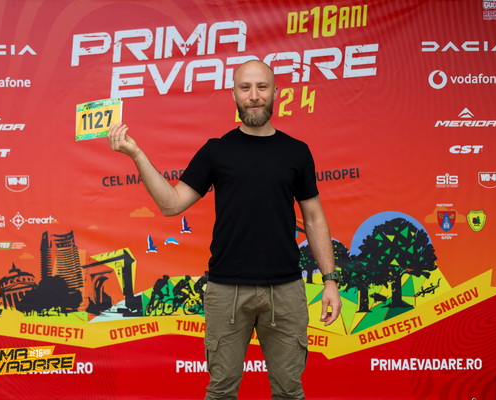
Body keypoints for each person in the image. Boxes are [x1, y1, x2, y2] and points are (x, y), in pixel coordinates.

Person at [108, 60, 342, 400]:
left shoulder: (296, 152)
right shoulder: (216, 151)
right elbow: (171, 204)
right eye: (245, 88)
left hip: (286, 290)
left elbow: (315, 219)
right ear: (234, 94)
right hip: (226, 291)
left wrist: (330, 281)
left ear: (275, 92)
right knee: (220, 393)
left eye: (262, 87)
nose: (254, 96)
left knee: (290, 392)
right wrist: (137, 154)